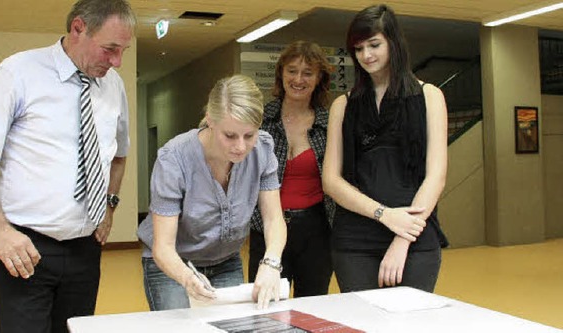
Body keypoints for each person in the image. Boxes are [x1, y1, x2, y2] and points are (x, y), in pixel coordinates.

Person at [0, 0, 135, 331]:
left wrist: (109, 205)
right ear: (78, 28)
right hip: (22, 246)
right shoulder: (18, 73)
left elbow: (118, 155)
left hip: (85, 248)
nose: (117, 62)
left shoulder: (114, 86)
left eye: (123, 50)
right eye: (110, 49)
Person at [322, 4, 449, 293]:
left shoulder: (430, 96)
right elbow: (331, 180)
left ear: (394, 42)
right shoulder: (342, 105)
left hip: (415, 237)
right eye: (358, 48)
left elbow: (436, 176)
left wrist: (402, 236)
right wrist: (385, 215)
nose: (366, 55)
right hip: (355, 241)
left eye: (375, 45)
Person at [137, 74, 287, 311]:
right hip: (173, 264)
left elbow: (273, 219)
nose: (240, 146)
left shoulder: (264, 149)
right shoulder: (174, 159)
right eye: (230, 135)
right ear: (210, 121)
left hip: (226, 261)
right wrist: (188, 278)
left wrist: (271, 263)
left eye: (249, 135)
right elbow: (163, 247)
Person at [247, 41, 335, 297]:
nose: (298, 79)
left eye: (308, 73)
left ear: (319, 78)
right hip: (267, 226)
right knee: (265, 302)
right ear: (281, 73)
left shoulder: (328, 123)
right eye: (292, 70)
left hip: (316, 230)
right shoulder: (260, 119)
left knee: (313, 303)